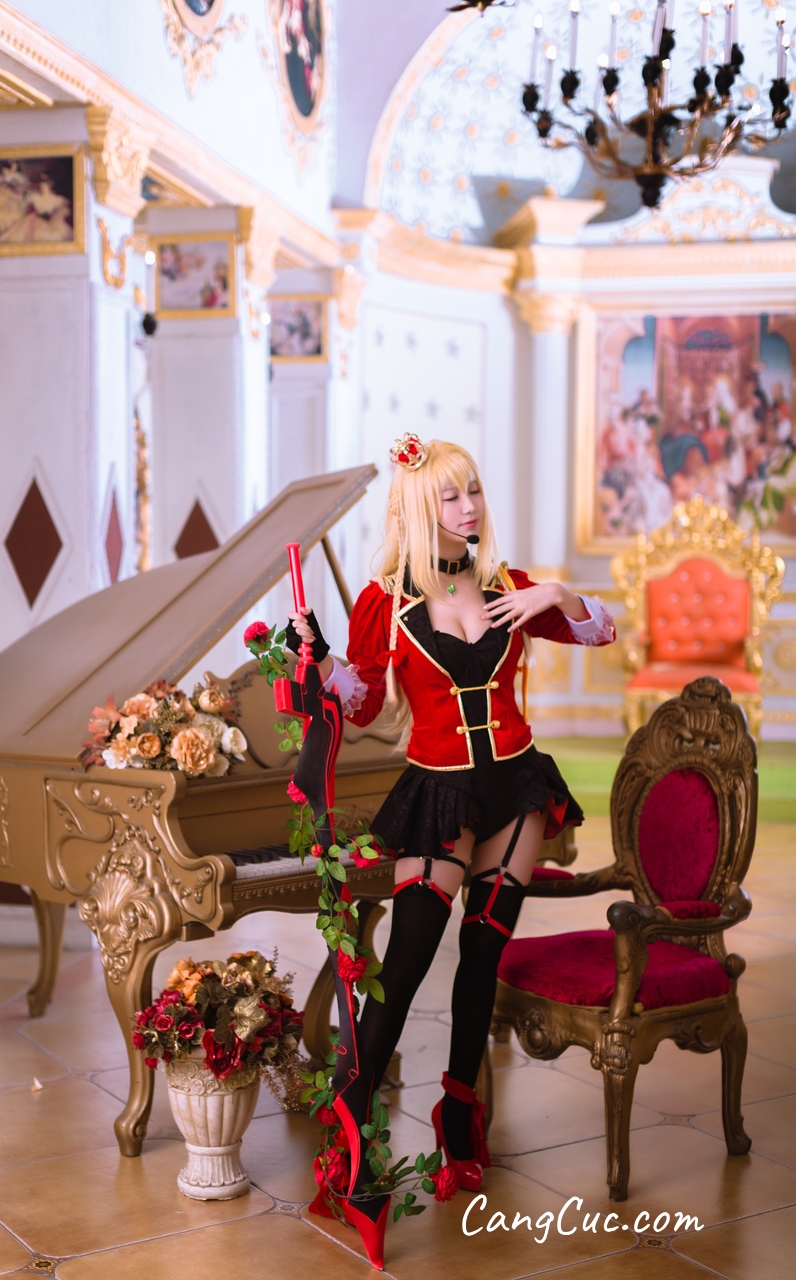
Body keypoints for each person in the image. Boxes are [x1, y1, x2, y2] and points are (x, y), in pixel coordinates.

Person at [286, 435, 616, 1268]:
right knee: (402, 967)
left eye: (472, 490)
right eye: (450, 496)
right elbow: (361, 703)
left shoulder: (510, 586)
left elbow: (601, 632)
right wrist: (316, 662)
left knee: (481, 959)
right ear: (415, 507)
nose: (469, 508)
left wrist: (559, 593)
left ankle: (459, 1115)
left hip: (516, 787)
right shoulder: (383, 604)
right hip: (437, 793)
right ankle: (351, 1128)